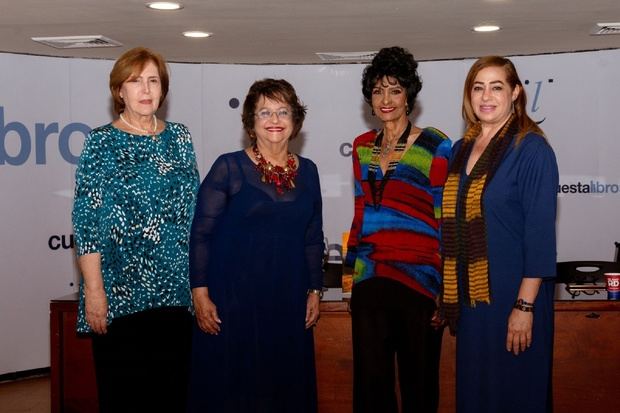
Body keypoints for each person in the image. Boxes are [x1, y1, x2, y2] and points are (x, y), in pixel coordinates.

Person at [72, 47, 199, 412]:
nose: (145, 89)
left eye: (153, 81)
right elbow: (87, 223)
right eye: (135, 81)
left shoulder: (180, 137)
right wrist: (94, 292)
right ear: (119, 91)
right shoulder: (100, 143)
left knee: (173, 397)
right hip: (119, 296)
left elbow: (193, 211)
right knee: (126, 398)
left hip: (176, 293)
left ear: (163, 89)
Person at [187, 78, 324, 413]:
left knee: (284, 388)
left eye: (282, 111)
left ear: (295, 121)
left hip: (287, 300)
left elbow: (312, 236)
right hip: (234, 304)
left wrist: (315, 291)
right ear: (250, 122)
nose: (274, 119)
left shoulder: (309, 171)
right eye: (264, 112)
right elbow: (201, 233)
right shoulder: (228, 167)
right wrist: (200, 293)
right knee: (234, 391)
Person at [441, 56, 558, 413]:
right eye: (478, 87)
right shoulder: (461, 150)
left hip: (514, 296)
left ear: (515, 93)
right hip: (474, 302)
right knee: (476, 396)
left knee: (515, 395)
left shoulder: (532, 149)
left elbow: (540, 236)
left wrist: (524, 306)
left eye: (496, 87)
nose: (486, 96)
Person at [344, 46, 452, 413]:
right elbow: (361, 214)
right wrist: (350, 276)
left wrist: (445, 287)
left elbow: (444, 218)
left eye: (394, 89)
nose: (385, 99)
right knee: (371, 391)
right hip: (370, 283)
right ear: (369, 100)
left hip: (419, 283)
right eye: (377, 91)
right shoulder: (361, 148)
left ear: (409, 95)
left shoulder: (437, 144)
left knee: (418, 387)